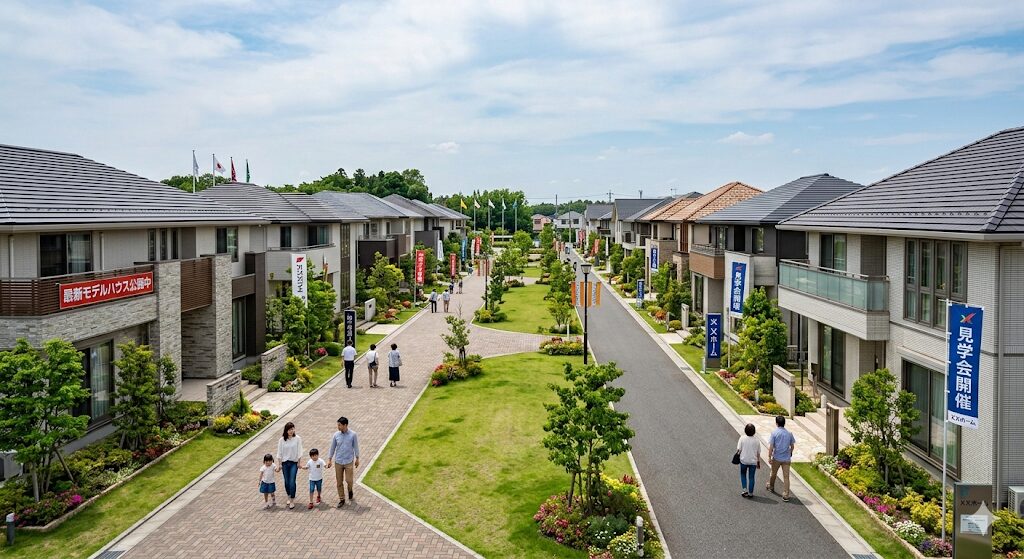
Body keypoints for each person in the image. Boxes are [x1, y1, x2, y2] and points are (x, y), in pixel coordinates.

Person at [326, 416, 360, 508]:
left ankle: (350, 490)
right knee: (339, 482)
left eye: (339, 425)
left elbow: (356, 447)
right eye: (338, 425)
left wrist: (357, 458)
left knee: (349, 480)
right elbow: (332, 448)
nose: (338, 427)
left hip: (349, 461)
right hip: (338, 462)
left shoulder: (353, 435)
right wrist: (329, 459)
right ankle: (342, 499)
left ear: (345, 425)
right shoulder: (336, 435)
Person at [767, 415, 796, 502]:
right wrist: (790, 452)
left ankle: (771, 486)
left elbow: (771, 447)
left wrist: (769, 457)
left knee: (773, 473)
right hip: (786, 459)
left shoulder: (774, 433)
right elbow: (792, 446)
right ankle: (786, 494)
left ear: (776, 423)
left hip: (777, 457)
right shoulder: (789, 433)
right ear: (784, 423)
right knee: (786, 477)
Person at [277, 421, 303, 509]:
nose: (291, 431)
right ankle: (288, 495)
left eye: (292, 429)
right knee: (286, 481)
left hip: (294, 463)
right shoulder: (282, 440)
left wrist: (299, 462)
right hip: (284, 463)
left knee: (292, 481)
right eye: (289, 430)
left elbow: (299, 451)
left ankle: (292, 499)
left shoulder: (297, 439)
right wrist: (280, 464)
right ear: (286, 431)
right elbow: (279, 453)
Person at [736, 423, 761, 498]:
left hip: (743, 460)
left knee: (743, 474)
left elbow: (739, 449)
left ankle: (744, 490)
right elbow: (758, 453)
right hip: (753, 462)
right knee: (751, 477)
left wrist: (737, 456)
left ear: (745, 430)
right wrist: (758, 461)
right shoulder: (757, 441)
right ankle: (750, 493)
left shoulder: (742, 438)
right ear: (754, 431)